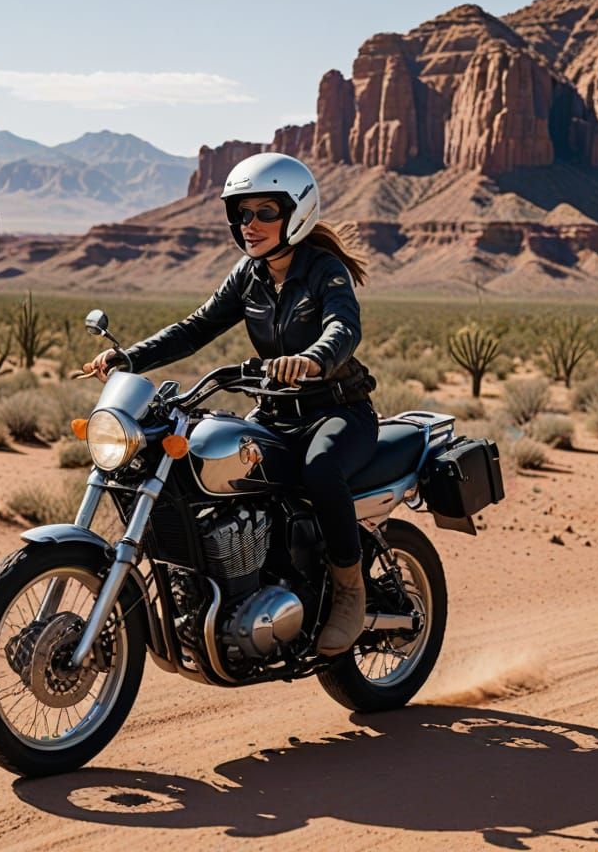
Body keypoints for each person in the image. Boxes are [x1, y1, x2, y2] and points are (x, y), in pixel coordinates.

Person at [82, 152, 378, 656]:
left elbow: (343, 327)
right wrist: (129, 357)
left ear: (295, 212)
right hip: (277, 412)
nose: (251, 224)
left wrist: (311, 360)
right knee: (210, 459)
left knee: (320, 467)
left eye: (265, 212)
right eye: (242, 214)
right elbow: (196, 327)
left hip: (337, 412)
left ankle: (350, 591)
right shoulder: (249, 274)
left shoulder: (324, 271)